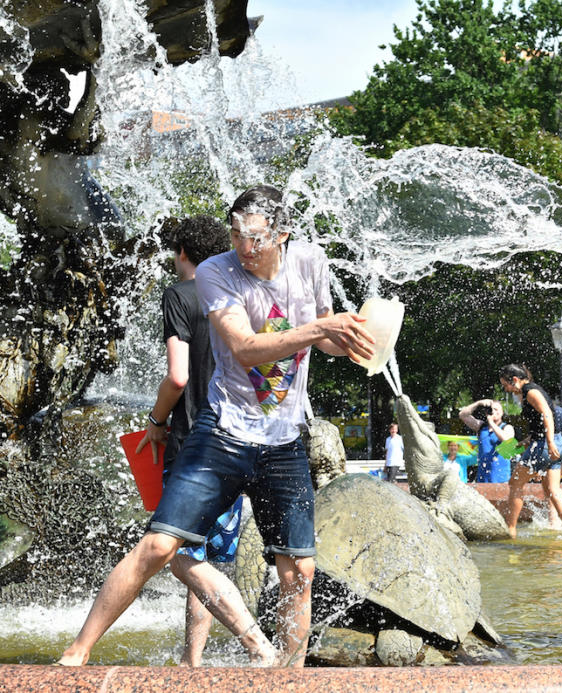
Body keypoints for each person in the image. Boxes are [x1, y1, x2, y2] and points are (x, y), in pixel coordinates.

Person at [59, 185, 375, 668]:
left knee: (300, 572)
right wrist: (319, 331)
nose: (244, 248)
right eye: (236, 235)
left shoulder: (310, 261)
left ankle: (288, 676)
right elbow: (245, 347)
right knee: (160, 546)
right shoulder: (215, 272)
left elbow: (324, 332)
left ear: (283, 234)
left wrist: (349, 341)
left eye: (256, 238)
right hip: (221, 434)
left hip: (285, 441)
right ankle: (76, 654)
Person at [132, 215, 247, 666]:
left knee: (177, 549)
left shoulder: (180, 295)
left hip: (192, 444)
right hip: (240, 440)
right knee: (210, 558)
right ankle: (192, 659)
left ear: (181, 253)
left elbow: (177, 377)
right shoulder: (239, 297)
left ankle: (244, 641)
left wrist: (155, 420)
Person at [498, 364, 562, 540]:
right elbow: (540, 422)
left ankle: (511, 530)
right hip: (553, 443)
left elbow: (547, 414)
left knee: (515, 483)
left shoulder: (531, 392)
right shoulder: (532, 391)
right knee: (554, 490)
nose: (505, 389)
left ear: (515, 380)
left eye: (505, 385)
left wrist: (548, 441)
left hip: (547, 444)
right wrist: (527, 441)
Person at [459, 398, 514, 483]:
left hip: (501, 478)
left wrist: (491, 423)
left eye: (496, 409)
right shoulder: (481, 427)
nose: (494, 412)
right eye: (492, 410)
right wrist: (478, 403)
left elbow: (506, 439)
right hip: (483, 477)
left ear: (502, 412)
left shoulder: (507, 427)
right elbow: (462, 415)